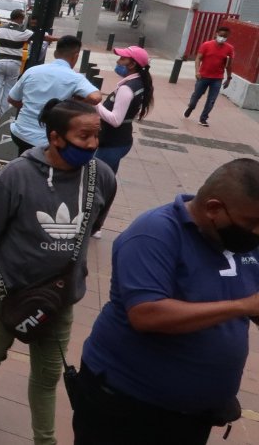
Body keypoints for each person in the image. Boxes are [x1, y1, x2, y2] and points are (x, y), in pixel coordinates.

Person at [0, 99, 118, 445]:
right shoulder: (18, 175)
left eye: (96, 135)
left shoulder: (101, 177)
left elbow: (92, 225)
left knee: (47, 375)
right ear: (56, 138)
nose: (92, 144)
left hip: (59, 299)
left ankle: (45, 440)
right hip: (7, 291)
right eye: (83, 136)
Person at [73, 158, 259, 445]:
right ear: (213, 209)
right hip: (126, 407)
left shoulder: (243, 242)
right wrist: (242, 306)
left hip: (193, 414)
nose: (256, 232)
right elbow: (147, 314)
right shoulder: (154, 233)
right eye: (252, 223)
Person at [7, 35, 102, 156]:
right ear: (76, 56)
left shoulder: (32, 71)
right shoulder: (75, 78)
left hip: (20, 133)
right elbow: (96, 97)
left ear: (56, 53)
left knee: (25, 159)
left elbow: (12, 99)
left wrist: (30, 106)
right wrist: (72, 106)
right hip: (47, 140)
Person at [95, 45, 154, 174]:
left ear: (132, 64)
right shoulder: (140, 82)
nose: (118, 61)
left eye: (122, 59)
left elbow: (116, 120)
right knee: (108, 180)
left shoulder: (127, 88)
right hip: (121, 141)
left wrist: (95, 105)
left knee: (96, 180)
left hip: (112, 143)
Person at [0, 9, 50, 122]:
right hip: (14, 64)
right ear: (20, 18)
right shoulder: (24, 31)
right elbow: (42, 37)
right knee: (8, 90)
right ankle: (3, 115)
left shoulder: (0, 29)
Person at [184, 25, 234, 127]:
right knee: (196, 96)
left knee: (211, 100)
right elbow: (198, 58)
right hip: (203, 76)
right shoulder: (206, 45)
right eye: (221, 35)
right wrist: (197, 71)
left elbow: (229, 65)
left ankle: (203, 118)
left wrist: (229, 78)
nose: (222, 38)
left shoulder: (229, 49)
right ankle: (191, 107)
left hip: (217, 78)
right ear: (216, 34)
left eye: (225, 36)